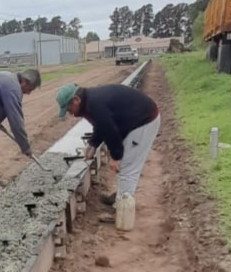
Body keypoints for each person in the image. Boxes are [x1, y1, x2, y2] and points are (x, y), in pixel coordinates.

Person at [55, 82, 161, 222]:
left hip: (143, 123)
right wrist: (93, 144)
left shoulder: (95, 104)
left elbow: (110, 130)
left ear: (76, 99)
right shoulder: (91, 101)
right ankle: (121, 196)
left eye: (69, 107)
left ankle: (121, 212)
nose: (69, 112)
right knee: (125, 166)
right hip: (134, 121)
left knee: (127, 168)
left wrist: (116, 156)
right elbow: (102, 125)